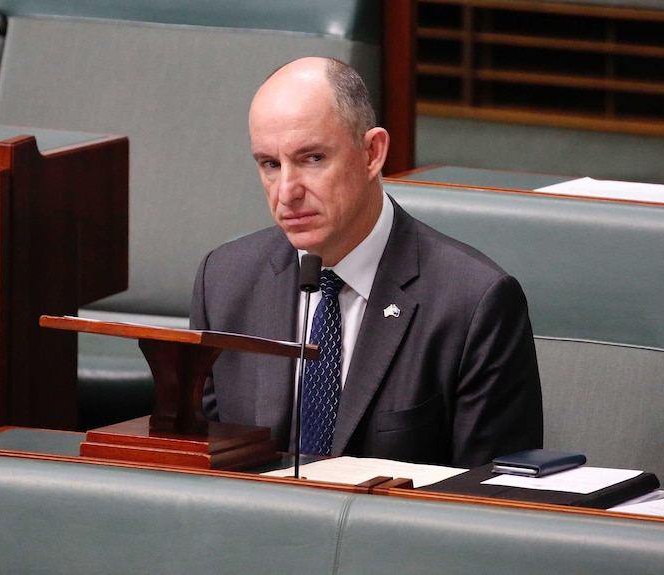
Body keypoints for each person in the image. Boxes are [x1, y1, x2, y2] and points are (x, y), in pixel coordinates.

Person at [190, 56, 542, 468]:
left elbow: (490, 501)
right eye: (270, 164)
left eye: (312, 159)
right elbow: (204, 468)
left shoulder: (473, 303)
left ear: (372, 153)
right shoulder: (224, 281)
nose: (286, 192)